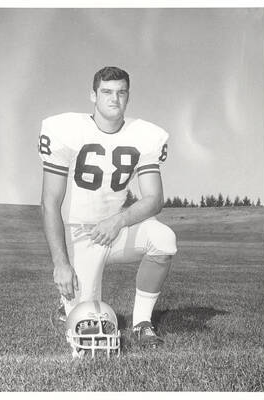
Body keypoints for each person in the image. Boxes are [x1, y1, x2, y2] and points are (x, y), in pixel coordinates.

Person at [38, 66, 177, 347]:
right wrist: (61, 263)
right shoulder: (66, 130)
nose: (114, 99)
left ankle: (141, 323)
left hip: (117, 229)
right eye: (107, 92)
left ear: (128, 97)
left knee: (164, 240)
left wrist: (117, 221)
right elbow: (49, 201)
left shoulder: (145, 134)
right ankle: (67, 300)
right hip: (82, 234)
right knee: (88, 324)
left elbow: (154, 200)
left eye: (121, 92)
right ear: (93, 95)